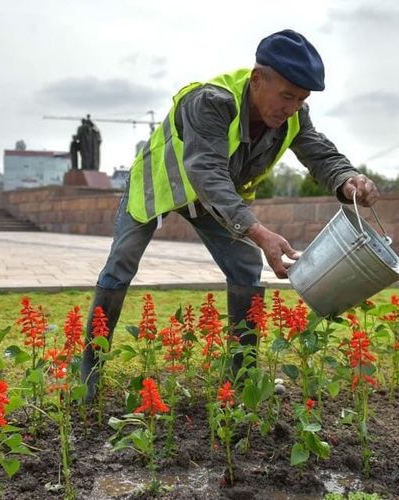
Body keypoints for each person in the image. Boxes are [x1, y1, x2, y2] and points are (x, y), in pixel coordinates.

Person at [80, 29, 380, 399]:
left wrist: (348, 178)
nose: (291, 108)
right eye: (286, 95)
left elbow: (320, 153)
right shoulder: (211, 102)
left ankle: (243, 376)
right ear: (257, 79)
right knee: (121, 264)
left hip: (214, 201)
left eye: (300, 99)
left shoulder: (294, 117)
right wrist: (259, 231)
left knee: (245, 266)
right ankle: (88, 373)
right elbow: (206, 171)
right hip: (161, 186)